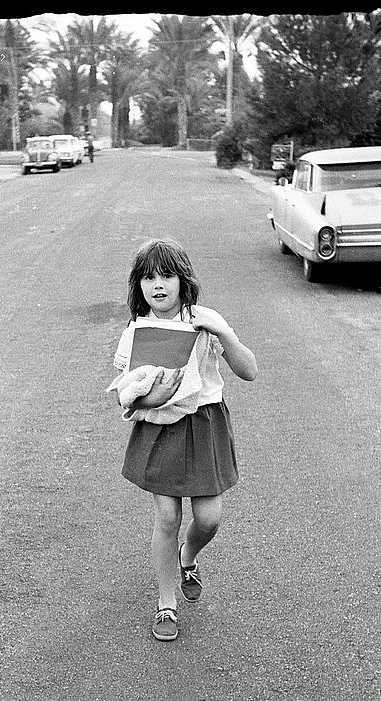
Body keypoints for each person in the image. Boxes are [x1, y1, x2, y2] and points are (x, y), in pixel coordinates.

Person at [110, 238, 258, 642]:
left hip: (205, 424)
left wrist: (224, 334)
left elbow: (249, 371)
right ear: (138, 286)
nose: (158, 285)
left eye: (167, 275)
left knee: (208, 519)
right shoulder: (136, 331)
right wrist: (158, 394)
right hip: (160, 428)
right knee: (168, 518)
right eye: (148, 277)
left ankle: (187, 556)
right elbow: (129, 394)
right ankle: (166, 603)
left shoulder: (205, 320)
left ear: (182, 280)